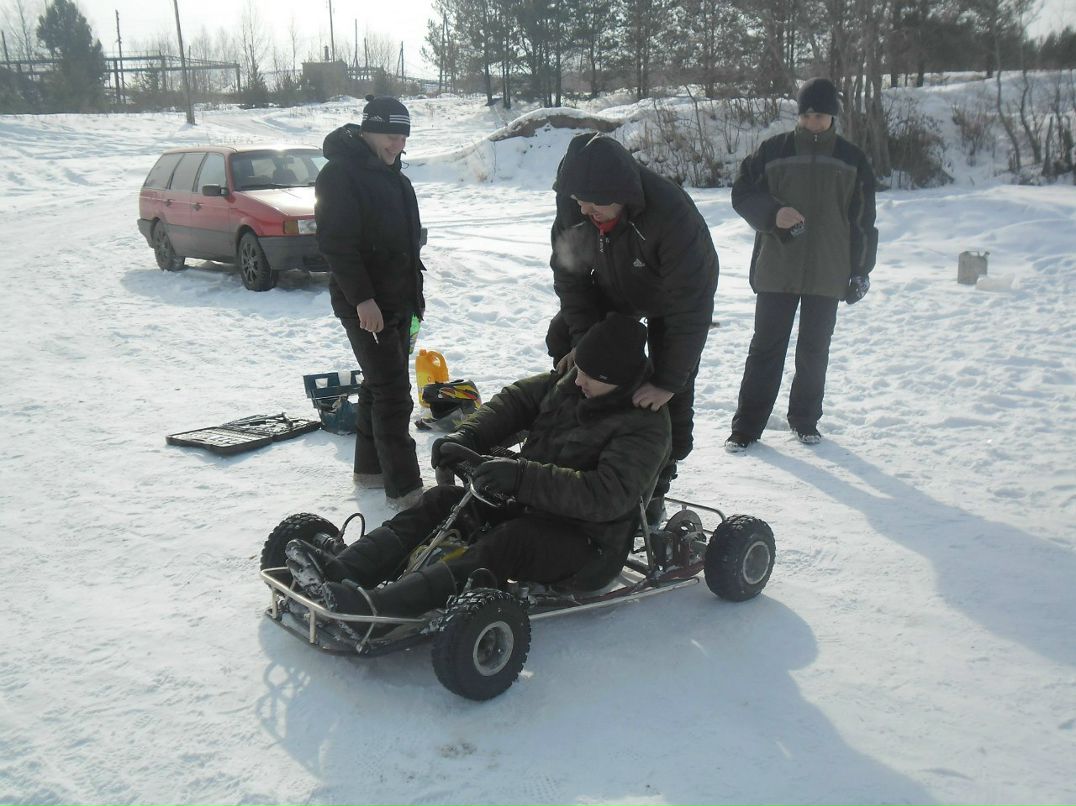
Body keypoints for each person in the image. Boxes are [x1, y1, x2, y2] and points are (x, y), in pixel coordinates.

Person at [284, 313, 671, 622]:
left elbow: (606, 496)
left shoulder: (644, 424)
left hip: (588, 544)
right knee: (443, 501)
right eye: (579, 368)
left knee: (509, 541)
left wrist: (521, 478)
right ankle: (338, 574)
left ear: (618, 381)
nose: (577, 378)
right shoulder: (571, 383)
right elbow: (514, 403)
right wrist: (466, 437)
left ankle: (380, 609)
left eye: (590, 376)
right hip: (528, 506)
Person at [545, 132, 719, 523]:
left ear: (621, 193)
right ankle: (587, 441)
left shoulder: (671, 216)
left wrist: (669, 381)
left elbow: (690, 307)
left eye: (595, 203)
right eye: (580, 202)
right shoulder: (576, 206)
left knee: (666, 382)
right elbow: (570, 278)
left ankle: (658, 479)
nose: (586, 210)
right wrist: (585, 345)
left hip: (671, 293)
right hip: (614, 280)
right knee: (564, 338)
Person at [725, 77, 878, 452]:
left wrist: (860, 270)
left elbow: (863, 221)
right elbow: (743, 192)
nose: (812, 122)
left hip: (828, 270)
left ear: (833, 116)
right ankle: (746, 427)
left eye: (820, 116)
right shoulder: (773, 151)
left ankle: (805, 420)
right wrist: (772, 214)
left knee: (814, 351)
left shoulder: (852, 159)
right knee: (765, 349)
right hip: (777, 267)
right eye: (806, 115)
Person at [315, 95, 425, 508]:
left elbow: (407, 245)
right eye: (390, 136)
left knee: (379, 386)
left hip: (399, 301)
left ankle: (370, 470)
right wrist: (363, 299)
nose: (398, 144)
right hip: (367, 305)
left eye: (403, 137)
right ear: (368, 131)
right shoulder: (339, 175)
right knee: (393, 393)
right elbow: (337, 245)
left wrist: (414, 301)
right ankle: (407, 491)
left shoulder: (394, 177)